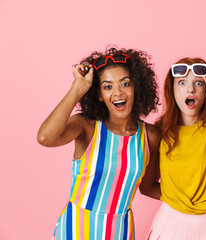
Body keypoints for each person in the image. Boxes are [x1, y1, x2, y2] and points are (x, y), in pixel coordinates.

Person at [37, 47, 161, 240]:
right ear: (99, 94)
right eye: (108, 86)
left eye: (125, 84)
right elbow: (45, 138)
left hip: (120, 231)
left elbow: (148, 187)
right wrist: (77, 87)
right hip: (76, 228)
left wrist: (199, 202)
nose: (118, 93)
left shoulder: (150, 135)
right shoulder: (86, 126)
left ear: (136, 87)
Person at [140, 58, 206, 240]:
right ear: (172, 89)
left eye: (199, 83)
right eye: (182, 83)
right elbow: (146, 187)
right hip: (169, 224)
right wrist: (179, 203)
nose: (190, 89)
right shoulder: (160, 132)